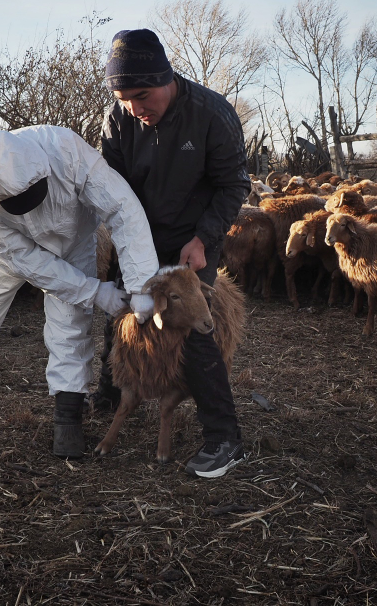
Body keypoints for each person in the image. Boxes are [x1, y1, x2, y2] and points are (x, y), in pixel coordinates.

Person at [0, 125, 160, 459]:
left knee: (70, 326)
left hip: (73, 244)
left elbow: (122, 208)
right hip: (5, 253)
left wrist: (140, 287)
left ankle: (67, 422)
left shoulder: (67, 150)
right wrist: (93, 291)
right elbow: (28, 261)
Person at [93, 28, 251, 478]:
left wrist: (204, 237)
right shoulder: (118, 120)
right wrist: (128, 240)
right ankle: (111, 390)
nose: (135, 109)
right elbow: (114, 187)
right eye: (124, 99)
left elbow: (233, 184)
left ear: (167, 79)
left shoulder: (211, 114)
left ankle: (223, 436)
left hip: (193, 239)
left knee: (196, 329)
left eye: (142, 96)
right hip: (138, 233)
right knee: (126, 311)